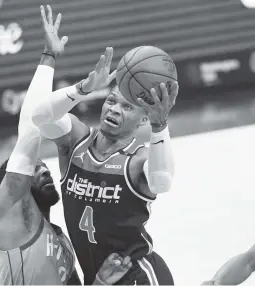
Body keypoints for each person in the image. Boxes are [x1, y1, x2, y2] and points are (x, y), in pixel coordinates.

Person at [30, 4, 178, 285]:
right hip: (96, 278)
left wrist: (160, 128)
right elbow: (39, 115)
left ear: (143, 118)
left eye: (127, 107)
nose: (114, 109)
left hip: (137, 275)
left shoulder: (137, 160)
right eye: (111, 100)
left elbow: (161, 182)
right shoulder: (75, 141)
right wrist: (82, 89)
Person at [0, 5, 133, 285]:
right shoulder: (11, 217)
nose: (44, 171)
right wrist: (50, 57)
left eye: (44, 167)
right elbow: (31, 129)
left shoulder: (60, 239)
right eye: (35, 169)